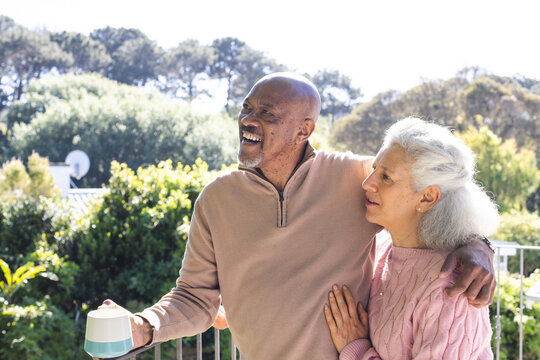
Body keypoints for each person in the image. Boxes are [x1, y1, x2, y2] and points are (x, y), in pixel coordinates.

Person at [98, 73, 496, 359]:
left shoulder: (359, 180)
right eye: (246, 108)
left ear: (304, 129)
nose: (248, 120)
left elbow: (432, 197)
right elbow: (195, 297)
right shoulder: (216, 201)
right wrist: (145, 327)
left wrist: (479, 246)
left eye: (267, 113)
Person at [324, 117, 497, 359]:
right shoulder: (383, 247)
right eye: (375, 169)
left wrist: (357, 349)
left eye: (386, 178)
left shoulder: (450, 287)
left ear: (427, 198)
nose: (367, 183)